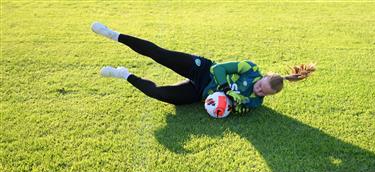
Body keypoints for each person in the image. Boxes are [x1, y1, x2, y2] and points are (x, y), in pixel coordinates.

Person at [91, 22, 316, 114]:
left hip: (199, 93)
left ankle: (123, 74)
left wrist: (235, 100)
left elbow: (233, 110)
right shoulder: (250, 68)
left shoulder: (255, 102)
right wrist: (227, 87)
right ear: (263, 77)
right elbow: (219, 68)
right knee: (159, 54)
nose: (258, 91)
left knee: (159, 93)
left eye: (262, 92)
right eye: (260, 86)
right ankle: (114, 35)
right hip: (202, 70)